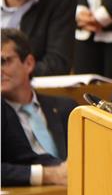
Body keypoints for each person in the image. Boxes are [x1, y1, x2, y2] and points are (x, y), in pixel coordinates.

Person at [2, 28, 76, 186]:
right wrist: (49, 174)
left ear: (29, 63)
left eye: (4, 61)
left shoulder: (67, 108)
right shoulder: (4, 113)